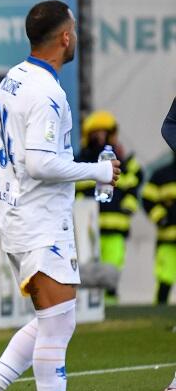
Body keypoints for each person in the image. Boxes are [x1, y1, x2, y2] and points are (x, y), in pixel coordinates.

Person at [0, 0, 118, 391]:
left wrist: (12, 191)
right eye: (75, 30)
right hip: (41, 223)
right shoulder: (47, 92)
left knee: (51, 321)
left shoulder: (12, 79)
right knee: (59, 325)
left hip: (17, 217)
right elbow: (42, 162)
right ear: (65, 37)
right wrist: (98, 172)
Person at [75, 110, 142, 303]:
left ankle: (111, 312)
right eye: (96, 133)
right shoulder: (80, 163)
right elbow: (73, 191)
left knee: (111, 275)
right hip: (87, 232)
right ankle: (89, 310)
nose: (100, 138)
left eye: (104, 133)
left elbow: (134, 187)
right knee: (87, 275)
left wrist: (128, 206)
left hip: (115, 229)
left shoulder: (126, 164)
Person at [141, 152, 176, 305]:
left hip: (167, 240)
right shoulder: (161, 175)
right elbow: (147, 199)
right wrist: (161, 218)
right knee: (164, 281)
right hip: (167, 240)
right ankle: (159, 319)